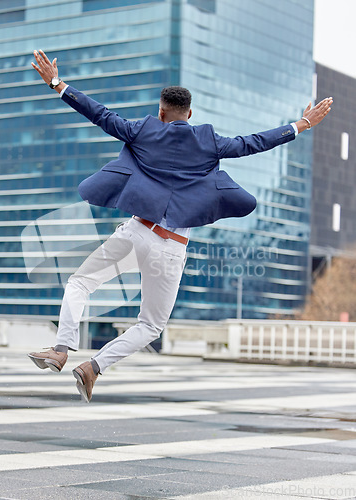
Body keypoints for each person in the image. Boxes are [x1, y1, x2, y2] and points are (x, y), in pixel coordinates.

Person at [28, 50, 333, 403]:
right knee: (151, 326)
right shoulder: (209, 142)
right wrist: (301, 124)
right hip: (169, 246)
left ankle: (62, 348)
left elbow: (99, 114)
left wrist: (56, 82)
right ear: (190, 115)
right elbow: (254, 143)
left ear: (161, 112)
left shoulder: (142, 130)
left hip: (135, 231)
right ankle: (93, 367)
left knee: (80, 281)